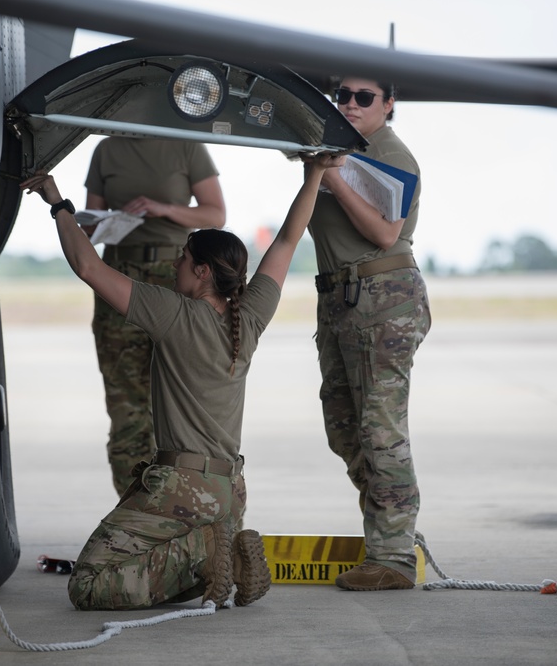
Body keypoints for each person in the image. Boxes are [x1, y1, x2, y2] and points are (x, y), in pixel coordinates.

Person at [20, 151, 345, 611]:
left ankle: (207, 551)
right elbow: (289, 240)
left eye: (183, 259)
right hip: (230, 493)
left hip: (180, 489)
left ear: (203, 272)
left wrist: (57, 203)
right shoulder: (249, 316)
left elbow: (89, 267)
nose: (175, 265)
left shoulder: (172, 313)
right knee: (151, 561)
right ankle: (217, 548)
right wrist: (315, 176)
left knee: (89, 582)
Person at [307, 77, 431, 591]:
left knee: (380, 430)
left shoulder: (388, 153)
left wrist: (332, 176)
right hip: (342, 298)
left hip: (382, 299)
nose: (350, 104)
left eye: (364, 97)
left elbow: (385, 233)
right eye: (343, 95)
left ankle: (394, 554)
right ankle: (391, 527)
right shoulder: (341, 150)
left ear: (388, 105)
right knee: (344, 425)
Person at [83, 138, 227, 498]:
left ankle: (188, 503)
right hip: (120, 276)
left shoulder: (185, 147)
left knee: (184, 399)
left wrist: (164, 209)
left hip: (175, 274)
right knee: (127, 406)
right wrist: (100, 223)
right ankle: (134, 511)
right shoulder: (106, 149)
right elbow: (88, 226)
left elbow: (215, 214)